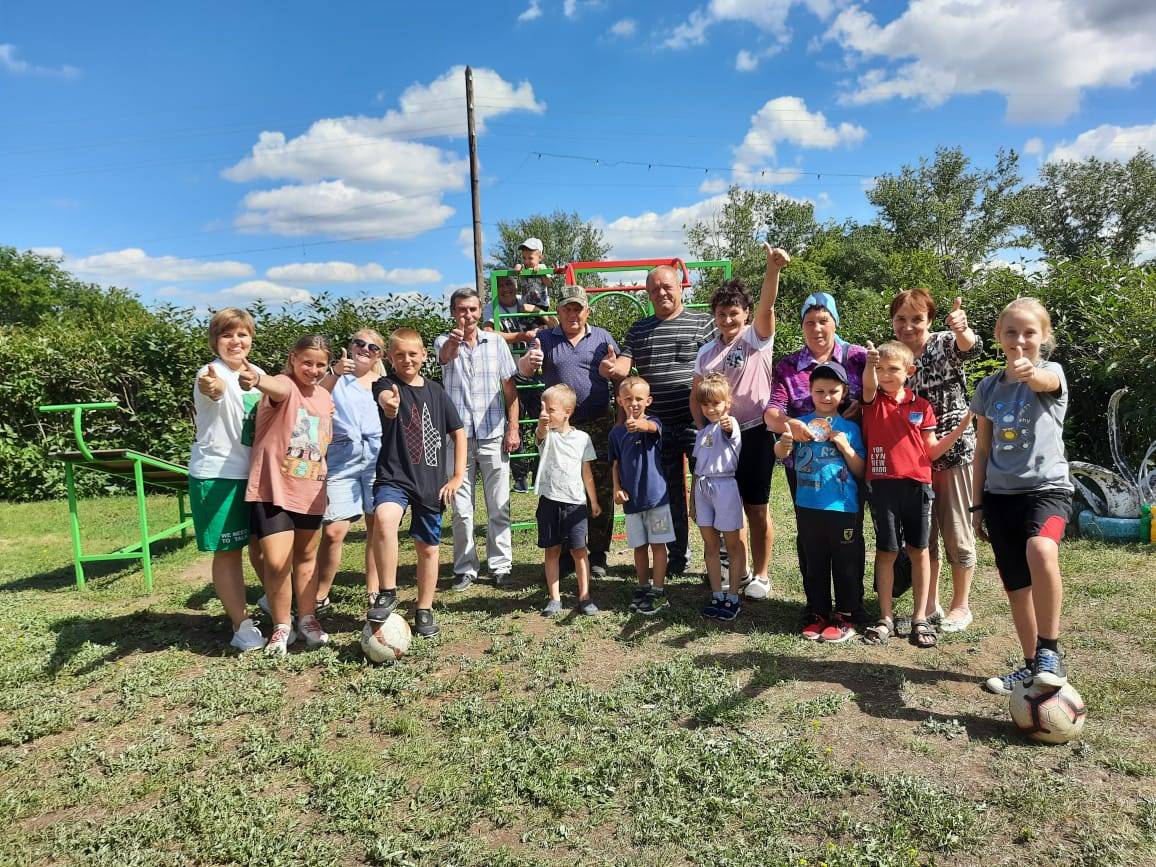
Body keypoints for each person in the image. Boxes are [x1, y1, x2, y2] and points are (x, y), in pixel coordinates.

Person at [972, 298, 1073, 694]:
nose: (1019, 339)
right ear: (998, 337)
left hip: (1046, 490)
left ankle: (1050, 651)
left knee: (1041, 551)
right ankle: (1032, 665)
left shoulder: (1052, 374)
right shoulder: (988, 388)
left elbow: (1044, 382)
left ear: (1043, 337)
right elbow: (983, 449)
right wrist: (978, 504)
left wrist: (1030, 373)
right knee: (1016, 587)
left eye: (1029, 332)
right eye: (1010, 332)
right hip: (999, 497)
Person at [602, 265, 715, 576]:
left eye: (667, 286)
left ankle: (718, 557)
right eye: (654, 290)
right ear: (648, 294)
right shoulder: (638, 330)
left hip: (698, 423)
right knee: (669, 494)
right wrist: (612, 368)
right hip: (655, 430)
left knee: (707, 488)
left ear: (680, 287)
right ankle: (678, 555)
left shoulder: (704, 323)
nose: (661, 293)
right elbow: (624, 365)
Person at [860, 340, 972, 649]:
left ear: (909, 371)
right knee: (887, 551)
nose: (885, 374)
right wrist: (870, 364)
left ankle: (920, 616)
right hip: (882, 485)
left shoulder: (921, 407)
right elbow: (868, 384)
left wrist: (962, 427)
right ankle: (884, 617)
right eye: (880, 368)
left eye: (892, 369)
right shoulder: (872, 400)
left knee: (919, 550)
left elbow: (932, 450)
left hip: (918, 486)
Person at [692, 243, 789, 599]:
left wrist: (772, 269)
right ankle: (741, 568)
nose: (728, 320)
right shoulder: (706, 352)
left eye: (734, 313)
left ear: (746, 314)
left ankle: (761, 574)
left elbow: (768, 304)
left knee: (757, 507)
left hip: (755, 433)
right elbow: (696, 394)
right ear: (714, 316)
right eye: (721, 314)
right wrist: (703, 431)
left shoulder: (756, 338)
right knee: (729, 505)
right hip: (718, 436)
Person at [891, 289, 982, 632]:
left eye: (917, 318)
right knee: (923, 536)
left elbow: (970, 347)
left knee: (957, 531)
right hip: (915, 459)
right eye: (901, 318)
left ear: (929, 320)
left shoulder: (944, 343)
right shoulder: (897, 355)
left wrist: (961, 328)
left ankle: (962, 605)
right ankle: (929, 602)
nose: (909, 326)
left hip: (954, 453)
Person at [366, 328, 465, 638]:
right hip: (394, 476)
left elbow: (458, 432)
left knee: (428, 549)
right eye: (399, 355)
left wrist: (458, 475)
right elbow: (384, 398)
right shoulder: (386, 384)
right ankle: (388, 590)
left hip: (430, 482)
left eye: (412, 354)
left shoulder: (436, 391)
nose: (406, 359)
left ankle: (424, 608)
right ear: (389, 358)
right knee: (384, 518)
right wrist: (389, 405)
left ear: (424, 355)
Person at [764, 293, 868, 588]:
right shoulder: (788, 367)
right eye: (810, 322)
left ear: (835, 322)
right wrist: (790, 424)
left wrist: (864, 404)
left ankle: (851, 603)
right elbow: (771, 413)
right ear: (802, 326)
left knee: (850, 533)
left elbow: (885, 390)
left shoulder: (857, 358)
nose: (817, 328)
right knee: (809, 534)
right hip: (805, 468)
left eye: (824, 320)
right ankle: (816, 605)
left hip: (849, 461)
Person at [517, 285, 619, 577]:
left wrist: (613, 369)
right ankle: (563, 555)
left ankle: (598, 554)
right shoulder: (545, 339)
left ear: (587, 310)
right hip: (561, 431)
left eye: (578, 308)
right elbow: (524, 370)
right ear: (558, 311)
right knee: (560, 488)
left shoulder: (602, 337)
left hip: (598, 423)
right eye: (567, 308)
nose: (573, 313)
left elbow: (620, 370)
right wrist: (529, 361)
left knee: (599, 488)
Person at [244, 334, 335, 656]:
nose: (313, 369)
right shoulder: (283, 386)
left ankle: (308, 618)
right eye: (307, 362)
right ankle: (282, 625)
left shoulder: (325, 397)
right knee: (277, 561)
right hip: (273, 489)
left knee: (307, 558)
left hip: (310, 489)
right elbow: (274, 386)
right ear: (293, 358)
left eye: (320, 364)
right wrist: (256, 378)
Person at [188, 308, 266, 652]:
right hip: (218, 475)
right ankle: (241, 625)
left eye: (242, 334)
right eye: (227, 335)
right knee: (229, 552)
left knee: (264, 546)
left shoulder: (257, 373)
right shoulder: (209, 374)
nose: (236, 341)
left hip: (256, 475)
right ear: (214, 341)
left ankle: (274, 604)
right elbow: (213, 390)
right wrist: (214, 388)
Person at [773, 362, 866, 643]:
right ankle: (818, 613)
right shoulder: (801, 424)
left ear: (844, 392)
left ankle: (846, 616)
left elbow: (860, 469)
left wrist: (846, 447)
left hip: (842, 507)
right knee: (814, 561)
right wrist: (785, 443)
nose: (826, 397)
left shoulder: (850, 427)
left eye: (833, 391)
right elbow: (779, 453)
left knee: (845, 563)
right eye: (819, 391)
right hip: (807, 505)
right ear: (810, 392)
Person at [435, 288, 520, 590]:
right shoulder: (443, 342)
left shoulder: (496, 343)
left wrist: (513, 428)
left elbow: (510, 390)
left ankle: (500, 565)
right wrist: (454, 345)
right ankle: (465, 568)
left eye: (472, 309)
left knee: (499, 505)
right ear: (452, 312)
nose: (467, 316)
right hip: (457, 439)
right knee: (461, 508)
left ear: (480, 311)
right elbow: (444, 358)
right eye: (461, 310)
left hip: (493, 435)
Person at [313, 330, 386, 616]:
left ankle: (375, 588)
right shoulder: (334, 377)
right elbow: (314, 398)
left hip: (377, 456)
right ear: (349, 345)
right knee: (333, 530)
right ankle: (319, 594)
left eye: (373, 346)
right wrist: (333, 372)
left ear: (379, 354)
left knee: (377, 526)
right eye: (359, 343)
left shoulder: (383, 383)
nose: (364, 349)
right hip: (342, 457)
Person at [534, 384, 601, 617]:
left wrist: (593, 501)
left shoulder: (582, 439)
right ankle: (554, 598)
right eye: (542, 408)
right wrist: (542, 424)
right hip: (549, 501)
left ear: (567, 412)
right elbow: (539, 434)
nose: (545, 414)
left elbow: (587, 473)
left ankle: (584, 597)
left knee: (579, 550)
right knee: (551, 550)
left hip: (575, 503)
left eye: (550, 409)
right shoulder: (546, 436)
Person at [610, 376, 674, 617]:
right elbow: (614, 464)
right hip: (631, 502)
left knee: (659, 545)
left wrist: (640, 424)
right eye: (628, 399)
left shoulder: (653, 423)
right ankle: (643, 586)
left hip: (657, 499)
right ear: (619, 401)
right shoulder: (616, 434)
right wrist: (617, 488)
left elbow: (653, 428)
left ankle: (659, 591)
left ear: (648, 400)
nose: (633, 403)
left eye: (639, 399)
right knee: (639, 546)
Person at [484, 274, 550, 493]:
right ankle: (520, 477)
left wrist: (539, 314)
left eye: (509, 284)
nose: (505, 289)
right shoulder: (491, 308)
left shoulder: (524, 302)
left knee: (543, 421)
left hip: (535, 371)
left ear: (516, 285)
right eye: (501, 285)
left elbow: (553, 320)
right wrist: (522, 335)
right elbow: (489, 334)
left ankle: (540, 471)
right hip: (509, 373)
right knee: (516, 424)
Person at [693, 374, 747, 622]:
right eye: (706, 404)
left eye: (716, 403)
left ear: (727, 403)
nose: (711, 409)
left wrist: (725, 421)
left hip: (725, 487)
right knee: (710, 544)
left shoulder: (731, 424)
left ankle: (733, 596)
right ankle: (717, 594)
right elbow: (696, 468)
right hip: (703, 489)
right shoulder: (702, 432)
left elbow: (729, 428)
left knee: (732, 544)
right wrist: (693, 499)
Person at [513, 236, 552, 310]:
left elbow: (549, 284)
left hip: (541, 305)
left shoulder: (542, 267)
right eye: (524, 258)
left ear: (540, 258)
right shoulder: (523, 268)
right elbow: (516, 269)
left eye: (530, 258)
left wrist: (541, 273)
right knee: (525, 321)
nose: (526, 261)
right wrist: (517, 267)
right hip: (526, 305)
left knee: (540, 321)